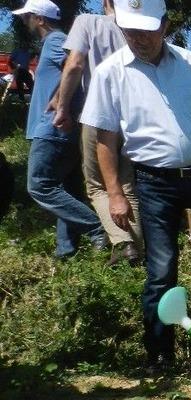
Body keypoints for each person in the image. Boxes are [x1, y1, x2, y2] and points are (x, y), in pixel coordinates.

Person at [79, 0, 191, 374]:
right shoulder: (110, 73)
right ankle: (159, 355)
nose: (139, 38)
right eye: (130, 31)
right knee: (161, 269)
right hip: (155, 183)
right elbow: (105, 140)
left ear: (165, 25)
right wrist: (114, 193)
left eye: (147, 30)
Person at [13, 0, 107, 259]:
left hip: (53, 127)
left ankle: (97, 228)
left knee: (39, 185)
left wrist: (60, 102)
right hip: (60, 126)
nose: (25, 22)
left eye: (27, 17)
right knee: (67, 188)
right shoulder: (53, 43)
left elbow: (75, 64)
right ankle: (66, 250)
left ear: (40, 19)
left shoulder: (56, 41)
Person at [51, 0, 141, 267]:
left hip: (98, 112)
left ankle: (123, 243)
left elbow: (75, 63)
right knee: (126, 183)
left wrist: (62, 106)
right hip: (132, 113)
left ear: (105, 2)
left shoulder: (87, 22)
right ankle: (139, 249)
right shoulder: (136, 27)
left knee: (97, 185)